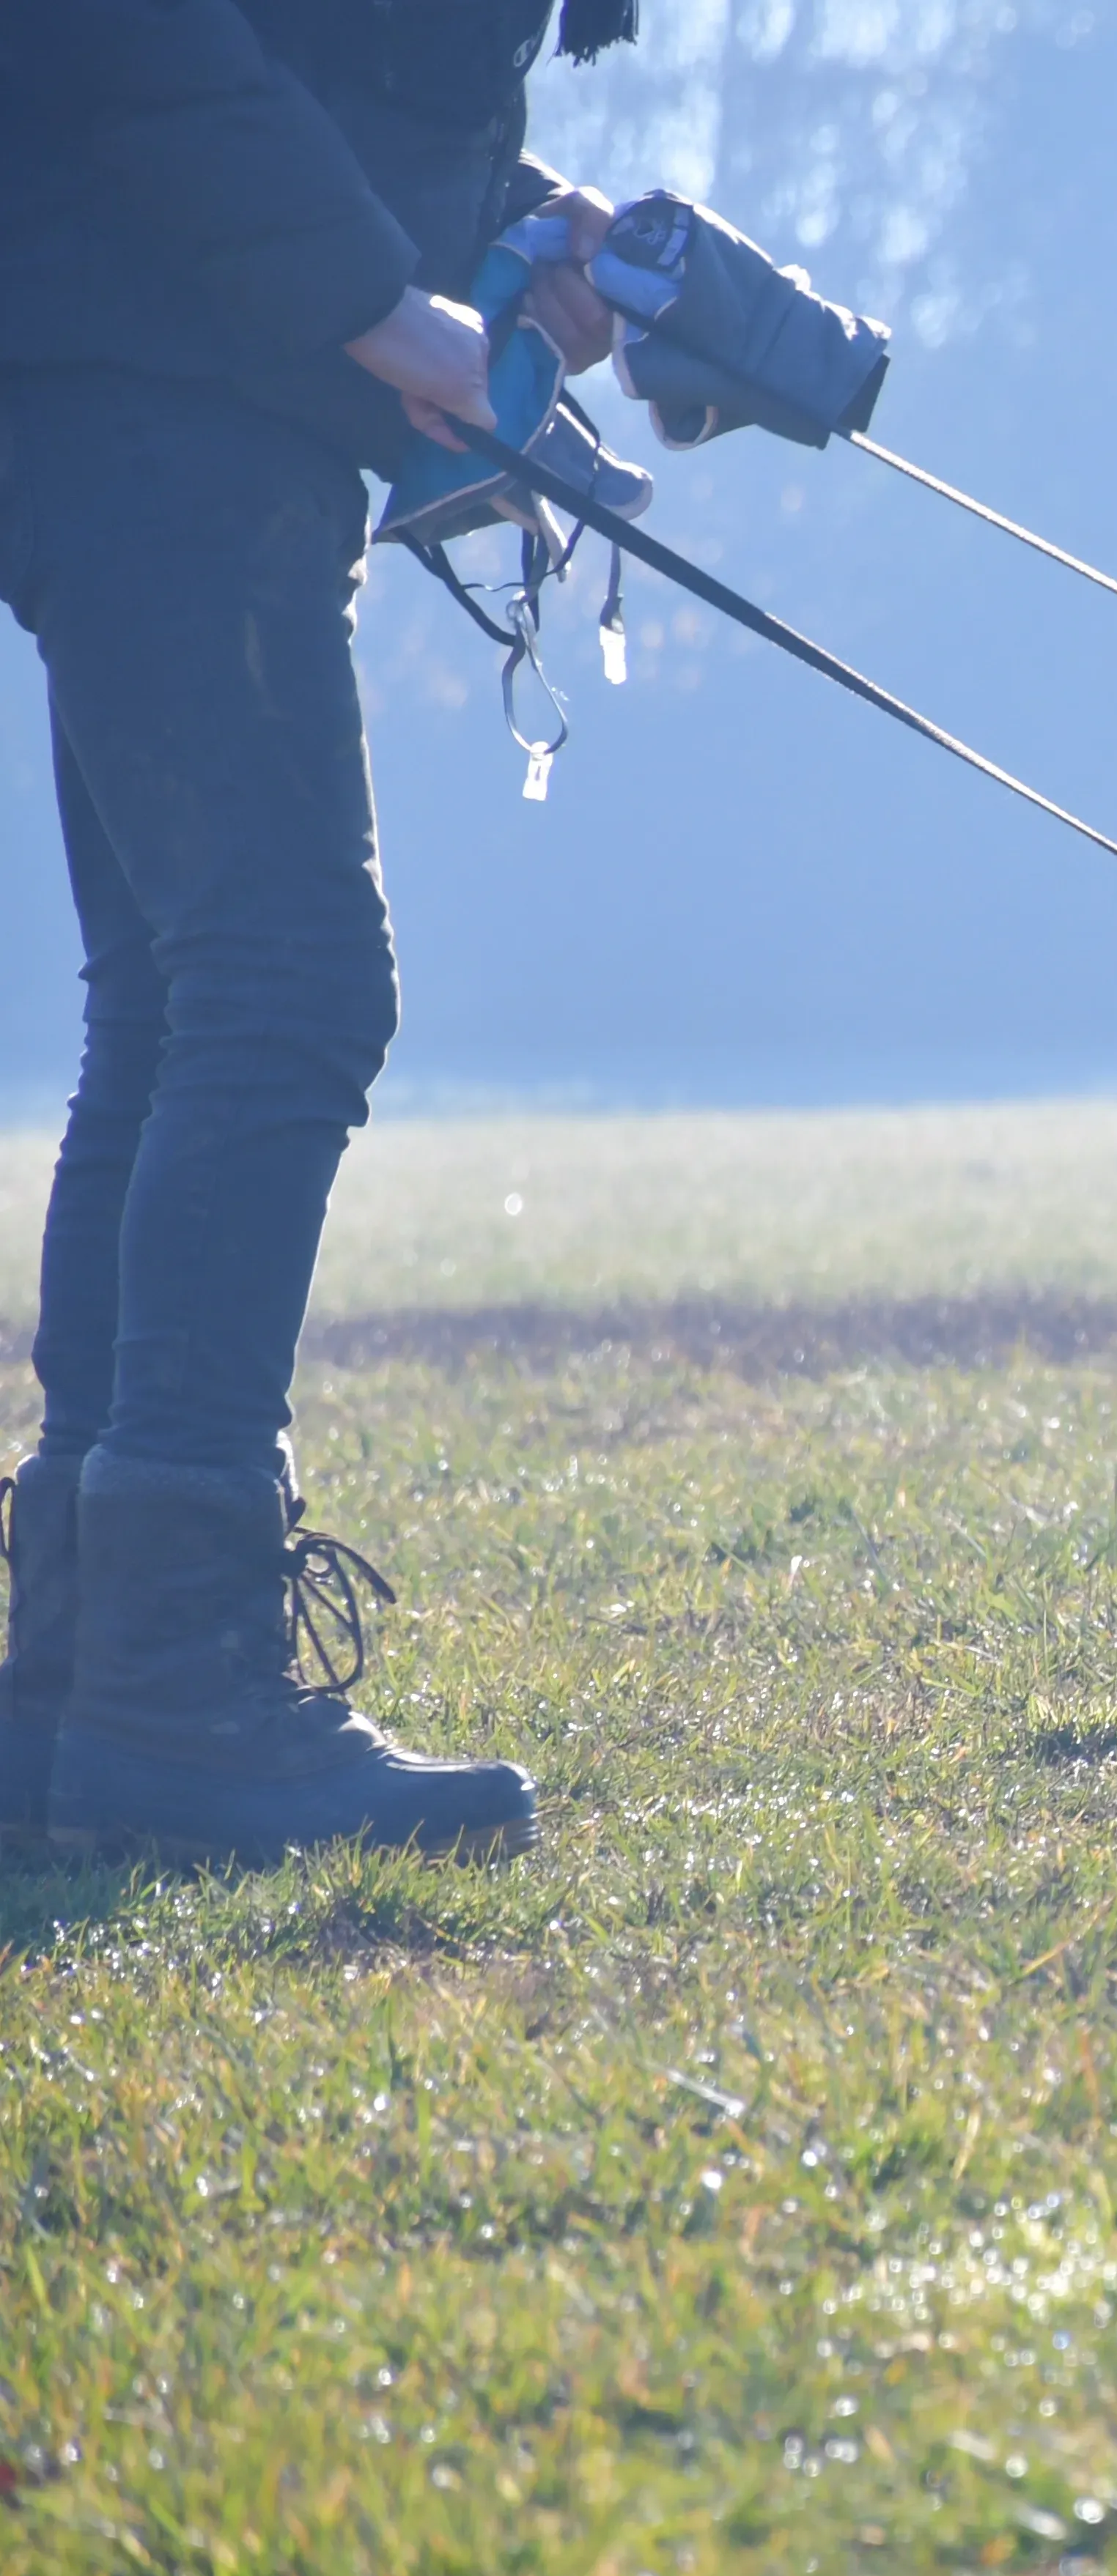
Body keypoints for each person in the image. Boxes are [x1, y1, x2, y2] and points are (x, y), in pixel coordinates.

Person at [0, 0, 637, 1862]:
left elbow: (313, 61)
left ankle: (74, 1692)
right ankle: (179, 1702)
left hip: (124, 372)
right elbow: (132, 36)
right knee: (288, 984)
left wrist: (511, 226)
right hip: (157, 389)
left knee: (179, 1005)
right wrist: (389, 303)